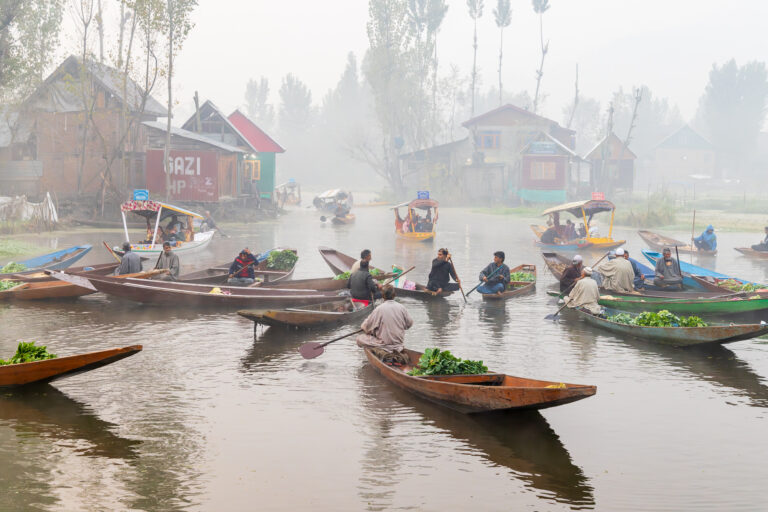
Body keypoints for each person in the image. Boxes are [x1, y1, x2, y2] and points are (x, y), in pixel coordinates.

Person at [356, 285, 413, 365]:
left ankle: (385, 354)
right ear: (394, 295)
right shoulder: (402, 307)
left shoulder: (379, 309)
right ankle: (393, 354)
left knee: (359, 338)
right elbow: (409, 324)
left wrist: (367, 329)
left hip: (384, 345)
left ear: (383, 296)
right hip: (399, 345)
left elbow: (366, 326)